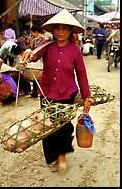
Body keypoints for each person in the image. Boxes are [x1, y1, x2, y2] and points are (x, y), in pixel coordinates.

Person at [28, 9, 91, 174]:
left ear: (70, 31)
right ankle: (52, 157)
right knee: (47, 126)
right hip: (47, 92)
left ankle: (62, 155)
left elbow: (81, 74)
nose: (61, 31)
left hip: (66, 93)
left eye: (64, 28)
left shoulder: (75, 50)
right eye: (58, 28)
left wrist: (86, 97)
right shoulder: (46, 46)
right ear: (53, 29)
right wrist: (29, 53)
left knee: (64, 127)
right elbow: (34, 56)